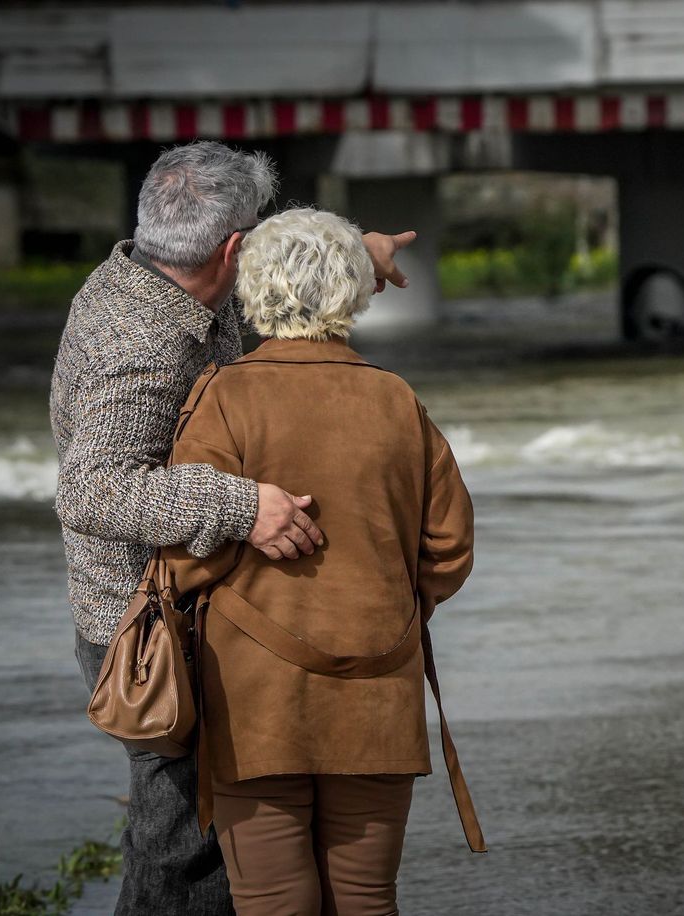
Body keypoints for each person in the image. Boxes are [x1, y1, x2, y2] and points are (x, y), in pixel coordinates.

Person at [49, 142, 415, 915]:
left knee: (214, 847)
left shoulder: (148, 269)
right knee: (186, 853)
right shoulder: (144, 343)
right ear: (232, 250)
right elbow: (93, 490)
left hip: (177, 606)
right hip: (144, 628)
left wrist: (359, 252)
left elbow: (273, 248)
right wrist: (246, 507)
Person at [160, 207, 478, 916]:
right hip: (378, 689)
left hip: (254, 700)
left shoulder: (223, 396)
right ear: (353, 295)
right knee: (367, 900)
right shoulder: (396, 399)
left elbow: (182, 554)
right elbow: (451, 549)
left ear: (254, 289)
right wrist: (388, 603)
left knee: (274, 902)